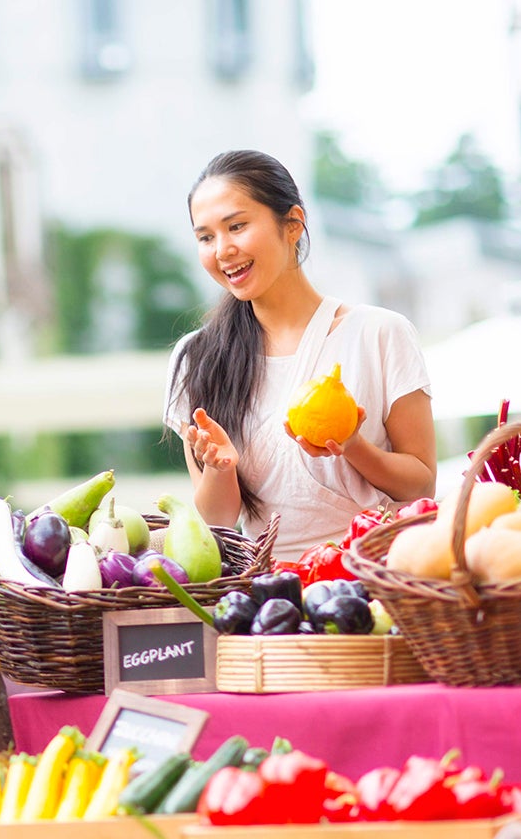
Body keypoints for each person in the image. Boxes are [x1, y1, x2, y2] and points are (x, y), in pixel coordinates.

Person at [165, 150, 436, 562]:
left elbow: (421, 485)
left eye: (236, 226)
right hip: (271, 589)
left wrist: (352, 445)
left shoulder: (379, 333)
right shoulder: (197, 357)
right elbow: (219, 521)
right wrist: (220, 469)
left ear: (292, 224)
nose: (222, 250)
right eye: (205, 237)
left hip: (373, 575)